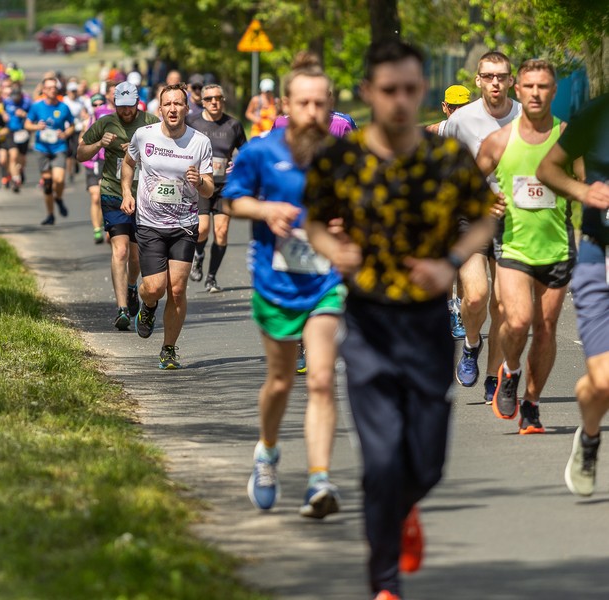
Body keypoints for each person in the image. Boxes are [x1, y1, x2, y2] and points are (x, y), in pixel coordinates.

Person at [303, 41, 497, 600]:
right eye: (389, 90)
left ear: (421, 92)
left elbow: (483, 220)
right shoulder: (343, 158)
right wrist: (332, 249)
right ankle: (383, 582)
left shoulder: (446, 158)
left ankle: (406, 506)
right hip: (368, 324)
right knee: (382, 460)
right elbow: (315, 221)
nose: (401, 101)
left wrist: (452, 262)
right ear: (368, 93)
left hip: (428, 325)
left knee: (427, 464)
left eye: (411, 89)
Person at [223, 54, 345, 519]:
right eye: (304, 103)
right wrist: (267, 211)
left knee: (320, 379)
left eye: (320, 103)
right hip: (275, 284)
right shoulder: (260, 151)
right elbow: (232, 201)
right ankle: (268, 453)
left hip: (325, 282)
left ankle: (319, 480)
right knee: (279, 382)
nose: (313, 112)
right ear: (286, 105)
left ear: (330, 105)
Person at [475, 59, 578, 432]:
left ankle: (532, 404)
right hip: (514, 246)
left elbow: (588, 184)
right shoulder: (499, 142)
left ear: (553, 92)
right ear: (519, 91)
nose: (536, 93)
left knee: (546, 327)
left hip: (557, 246)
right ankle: (511, 370)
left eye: (544, 87)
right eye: (529, 86)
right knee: (516, 321)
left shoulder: (569, 139)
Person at [537, 93, 609, 495]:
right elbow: (548, 167)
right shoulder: (598, 112)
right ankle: (590, 436)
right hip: (600, 258)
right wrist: (583, 193)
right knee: (603, 382)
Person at [443, 51, 521, 404]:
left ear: (510, 80)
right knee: (475, 295)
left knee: (504, 305)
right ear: (478, 80)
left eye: (501, 76)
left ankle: (493, 376)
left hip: (514, 220)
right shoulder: (462, 120)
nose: (494, 82)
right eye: (488, 76)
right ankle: (472, 344)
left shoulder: (525, 116)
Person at [120, 83, 214, 368]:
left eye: (178, 104)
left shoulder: (200, 142)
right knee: (155, 288)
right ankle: (147, 306)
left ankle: (169, 349)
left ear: (187, 108)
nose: (173, 109)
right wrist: (126, 191)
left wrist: (200, 182)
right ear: (159, 110)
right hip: (149, 223)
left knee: (176, 289)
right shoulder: (143, 135)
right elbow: (128, 163)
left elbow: (209, 189)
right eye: (168, 104)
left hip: (184, 224)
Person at [78, 82, 161, 329]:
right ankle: (122, 309)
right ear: (115, 104)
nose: (126, 112)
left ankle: (132, 286)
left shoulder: (151, 122)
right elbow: (80, 153)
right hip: (113, 193)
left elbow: (166, 150)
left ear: (138, 103)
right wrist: (99, 145)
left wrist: (138, 151)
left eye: (130, 106)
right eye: (121, 107)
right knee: (121, 251)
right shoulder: (105, 122)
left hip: (144, 197)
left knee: (136, 256)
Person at [185, 83, 247, 292]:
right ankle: (199, 254)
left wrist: (237, 163)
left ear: (223, 100)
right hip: (202, 184)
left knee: (221, 232)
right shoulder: (192, 122)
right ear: (202, 102)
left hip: (225, 186)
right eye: (210, 99)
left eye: (218, 98)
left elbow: (246, 153)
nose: (214, 102)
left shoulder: (233, 125)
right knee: (202, 229)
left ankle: (211, 278)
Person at [428, 84, 473, 339]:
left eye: (462, 107)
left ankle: (462, 311)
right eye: (453, 107)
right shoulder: (435, 134)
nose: (457, 112)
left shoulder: (481, 134)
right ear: (445, 107)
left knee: (466, 267)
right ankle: (449, 311)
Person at [25, 77, 76, 225]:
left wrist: (65, 134)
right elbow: (27, 124)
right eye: (49, 87)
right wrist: (36, 127)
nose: (53, 90)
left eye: (55, 87)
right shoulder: (36, 106)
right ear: (44, 90)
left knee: (59, 179)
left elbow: (72, 125)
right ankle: (50, 214)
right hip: (42, 148)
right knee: (47, 183)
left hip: (59, 146)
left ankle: (58, 198)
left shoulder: (63, 107)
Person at [80, 92, 109, 244]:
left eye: (100, 104)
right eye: (95, 104)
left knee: (103, 195)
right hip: (92, 163)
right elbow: (81, 142)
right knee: (95, 196)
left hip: (105, 161)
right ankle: (97, 228)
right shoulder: (88, 121)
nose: (98, 107)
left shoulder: (110, 120)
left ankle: (105, 221)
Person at [3, 86, 33, 193]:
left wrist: (24, 114)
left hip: (23, 132)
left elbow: (33, 116)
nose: (15, 99)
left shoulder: (27, 103)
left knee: (22, 158)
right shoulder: (7, 102)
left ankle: (20, 170)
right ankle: (16, 179)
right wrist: (3, 115)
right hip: (11, 132)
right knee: (13, 156)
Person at [63, 81, 89, 182]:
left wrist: (84, 117)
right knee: (68, 151)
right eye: (71, 91)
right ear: (68, 91)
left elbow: (84, 112)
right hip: (66, 128)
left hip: (77, 128)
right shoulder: (64, 101)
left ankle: (76, 163)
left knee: (75, 150)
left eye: (75, 91)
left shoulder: (80, 101)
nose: (73, 93)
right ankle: (70, 172)